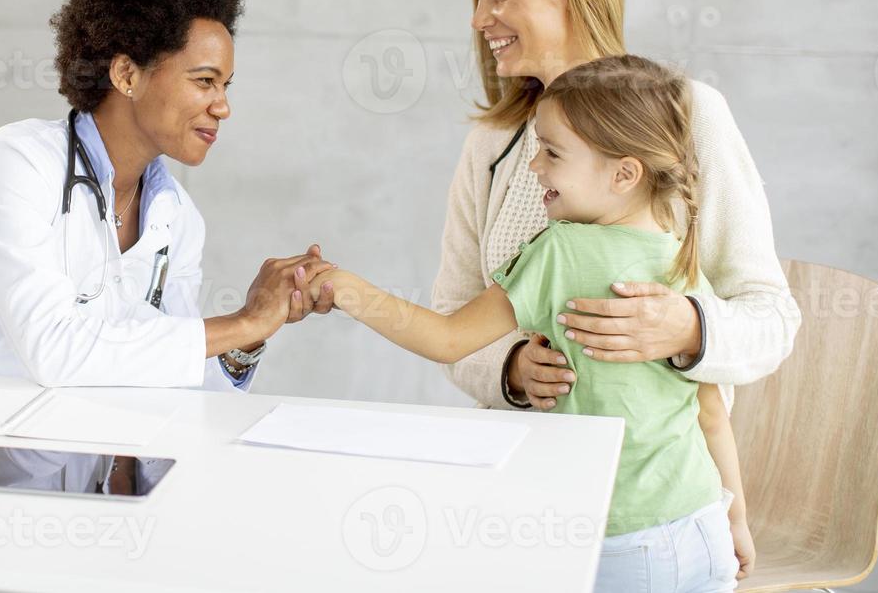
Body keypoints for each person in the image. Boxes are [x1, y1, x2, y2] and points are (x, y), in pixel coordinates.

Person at [0, 0, 336, 494]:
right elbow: (57, 352)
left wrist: (253, 332)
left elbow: (182, 393)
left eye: (227, 84)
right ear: (126, 74)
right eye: (205, 81)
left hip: (43, 482)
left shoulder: (175, 218)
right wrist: (236, 324)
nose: (224, 106)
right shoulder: (16, 166)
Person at [313, 55, 755, 591]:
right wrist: (736, 520)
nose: (534, 166)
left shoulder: (559, 250)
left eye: (551, 152)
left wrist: (347, 289)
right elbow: (711, 412)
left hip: (613, 542)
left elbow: (447, 338)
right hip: (702, 529)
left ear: (624, 173)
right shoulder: (680, 263)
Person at [431, 0, 800, 415]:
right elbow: (450, 315)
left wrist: (688, 328)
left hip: (656, 479)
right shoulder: (492, 145)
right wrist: (511, 368)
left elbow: (772, 318)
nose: (479, 19)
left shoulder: (691, 116)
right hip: (519, 461)